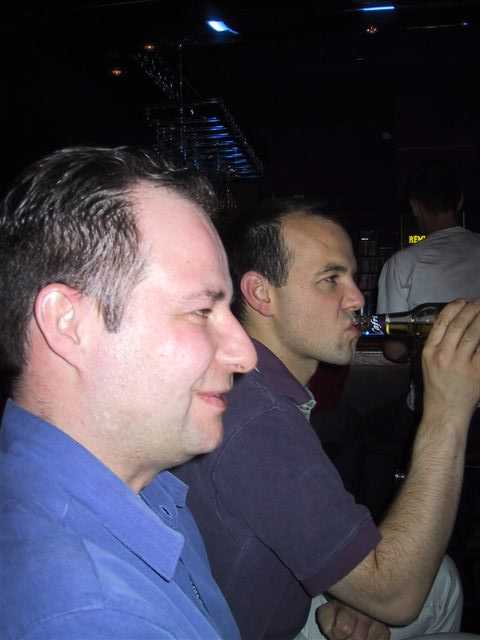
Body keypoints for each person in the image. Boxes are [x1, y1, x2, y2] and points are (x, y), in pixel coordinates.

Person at [176, 198, 480, 640]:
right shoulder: (255, 415)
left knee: (443, 579)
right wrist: (448, 411)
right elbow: (396, 596)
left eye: (352, 277)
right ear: (261, 294)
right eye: (330, 279)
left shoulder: (256, 386)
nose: (357, 298)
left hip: (271, 602)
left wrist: (343, 592)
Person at [0, 146, 258, 639]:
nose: (244, 355)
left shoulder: (145, 485)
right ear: (69, 323)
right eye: (201, 311)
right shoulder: (93, 616)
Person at [377, 161, 480, 413]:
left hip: (435, 404)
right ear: (459, 201)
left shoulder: (401, 264)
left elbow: (394, 350)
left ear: (414, 206)